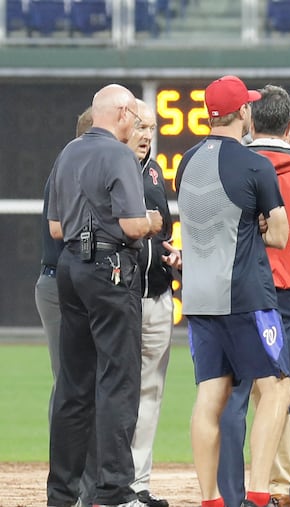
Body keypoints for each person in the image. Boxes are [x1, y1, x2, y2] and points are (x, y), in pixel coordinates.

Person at [176, 75, 290, 507]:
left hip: (199, 296)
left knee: (211, 394)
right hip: (245, 295)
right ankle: (259, 494)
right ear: (243, 112)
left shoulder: (187, 161)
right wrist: (256, 228)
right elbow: (280, 235)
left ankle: (211, 499)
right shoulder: (254, 164)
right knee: (279, 388)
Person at [46, 84, 162, 507]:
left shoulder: (68, 152)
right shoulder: (118, 154)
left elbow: (56, 229)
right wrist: (151, 220)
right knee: (118, 381)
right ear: (122, 113)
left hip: (71, 267)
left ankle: (60, 493)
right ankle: (113, 491)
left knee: (74, 386)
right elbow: (133, 227)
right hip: (110, 271)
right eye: (133, 114)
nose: (135, 123)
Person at [219, 84, 290, 507]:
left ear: (249, 121)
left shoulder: (230, 167)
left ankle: (230, 495)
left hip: (243, 296)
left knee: (234, 397)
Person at [127, 98, 176, 507]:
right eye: (140, 126)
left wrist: (169, 250)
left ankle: (139, 482)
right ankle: (109, 481)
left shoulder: (157, 172)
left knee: (150, 391)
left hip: (157, 296)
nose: (146, 135)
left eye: (151, 128)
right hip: (119, 299)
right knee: (114, 390)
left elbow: (163, 234)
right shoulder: (107, 167)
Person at [35, 108, 90, 425]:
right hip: (60, 283)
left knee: (81, 378)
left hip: (68, 282)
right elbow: (72, 233)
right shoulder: (69, 172)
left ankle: (82, 463)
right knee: (70, 380)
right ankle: (67, 464)